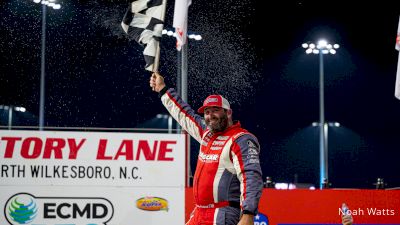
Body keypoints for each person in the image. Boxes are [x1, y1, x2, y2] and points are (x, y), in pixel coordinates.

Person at [149, 73, 263, 225]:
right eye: (207, 112)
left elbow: (251, 176)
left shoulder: (241, 139)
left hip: (223, 213)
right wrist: (163, 89)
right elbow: (184, 114)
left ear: (228, 112)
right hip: (200, 212)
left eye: (215, 110)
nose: (210, 116)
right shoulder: (206, 133)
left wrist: (248, 214)